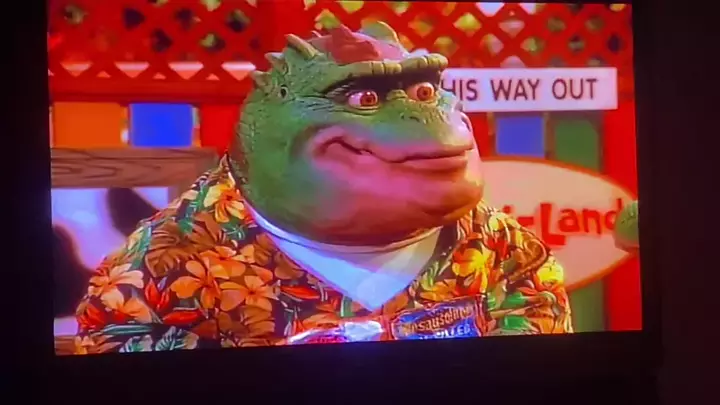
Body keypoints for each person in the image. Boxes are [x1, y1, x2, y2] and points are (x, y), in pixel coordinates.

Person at [71, 22, 572, 354]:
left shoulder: (502, 251)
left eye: (424, 91)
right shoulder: (170, 263)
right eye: (366, 97)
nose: (420, 114)